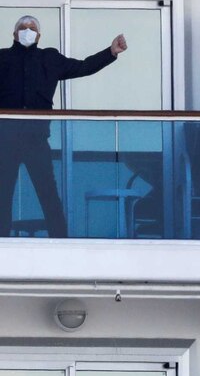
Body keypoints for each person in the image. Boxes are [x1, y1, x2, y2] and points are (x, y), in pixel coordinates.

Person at [0, 16, 127, 237]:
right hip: (5, 140)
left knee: (48, 193)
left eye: (32, 29)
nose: (27, 31)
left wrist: (110, 52)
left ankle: (60, 242)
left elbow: (84, 66)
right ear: (14, 34)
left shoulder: (49, 58)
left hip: (35, 139)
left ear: (39, 36)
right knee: (2, 195)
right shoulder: (2, 58)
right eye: (22, 28)